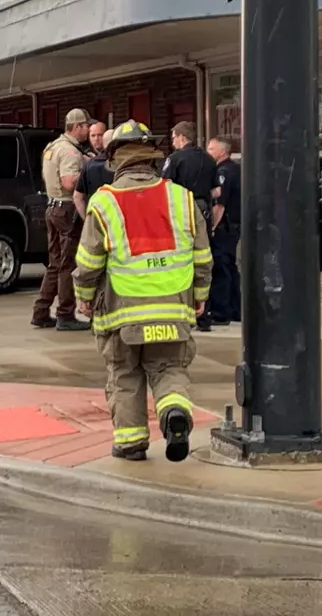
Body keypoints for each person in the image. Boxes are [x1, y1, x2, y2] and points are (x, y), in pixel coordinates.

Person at [73, 120, 212, 462]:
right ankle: (174, 414)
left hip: (123, 315)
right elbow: (203, 258)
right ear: (151, 156)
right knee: (169, 370)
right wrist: (200, 297)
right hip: (173, 309)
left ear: (115, 159)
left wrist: (84, 299)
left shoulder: (104, 203)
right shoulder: (182, 198)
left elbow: (89, 262)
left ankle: (131, 443)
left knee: (125, 375)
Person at [32, 108, 92, 331]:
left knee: (55, 263)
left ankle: (41, 311)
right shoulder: (70, 152)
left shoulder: (53, 146)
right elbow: (69, 182)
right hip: (67, 210)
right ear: (76, 127)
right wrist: (89, 172)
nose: (87, 130)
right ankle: (66, 314)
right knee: (67, 263)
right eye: (85, 126)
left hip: (52, 207)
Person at [162, 121, 219, 331]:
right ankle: (205, 316)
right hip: (204, 211)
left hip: (181, 211)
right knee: (204, 261)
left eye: (173, 137)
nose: (172, 141)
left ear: (181, 137)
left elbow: (165, 188)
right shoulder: (209, 159)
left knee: (181, 261)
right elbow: (217, 193)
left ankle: (185, 312)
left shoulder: (174, 159)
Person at [207, 136, 242, 324]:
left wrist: (212, 227)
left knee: (221, 269)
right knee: (230, 267)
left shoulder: (223, 172)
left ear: (222, 151)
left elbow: (219, 205)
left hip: (225, 227)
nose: (208, 152)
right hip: (234, 226)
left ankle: (221, 313)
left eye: (211, 149)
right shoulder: (235, 169)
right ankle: (237, 310)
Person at [74, 129, 114, 219]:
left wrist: (87, 220)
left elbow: (77, 197)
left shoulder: (89, 164)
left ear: (104, 143)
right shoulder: (123, 165)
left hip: (96, 217)